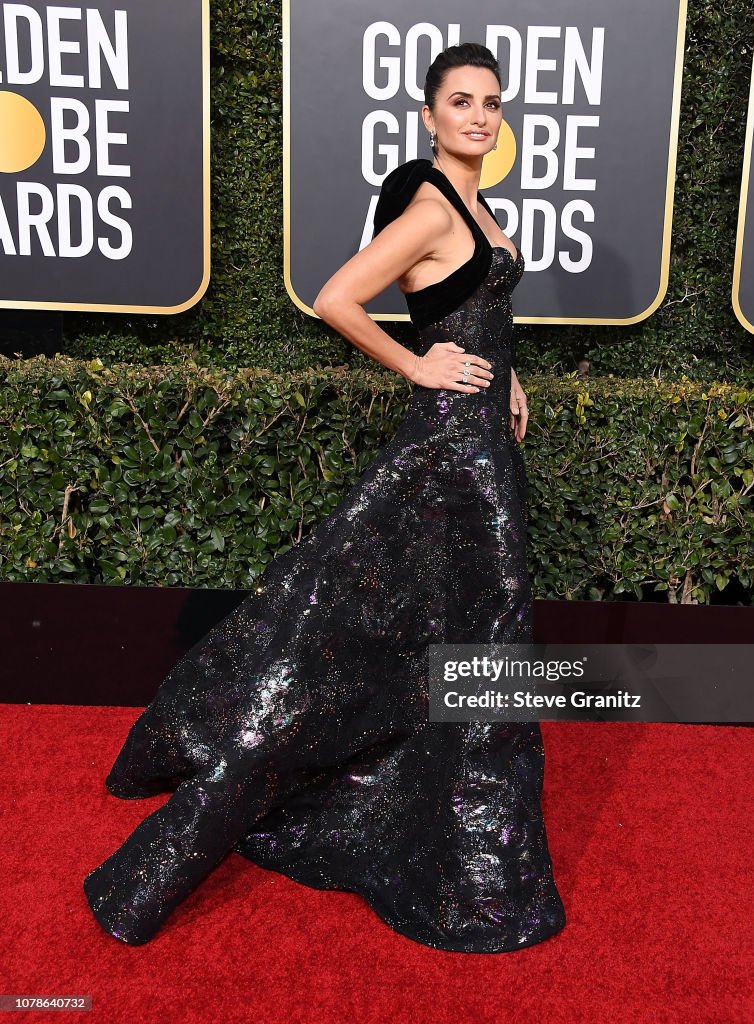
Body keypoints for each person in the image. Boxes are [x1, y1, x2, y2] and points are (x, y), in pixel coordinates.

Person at [83, 42, 566, 953]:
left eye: (491, 102)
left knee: (434, 629)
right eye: (460, 101)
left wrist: (504, 376)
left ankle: (430, 812)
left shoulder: (474, 200)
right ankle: (466, 865)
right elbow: (336, 297)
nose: (478, 115)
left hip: (479, 445)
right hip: (447, 457)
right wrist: (419, 365)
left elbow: (470, 311)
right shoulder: (429, 206)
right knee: (426, 629)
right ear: (428, 115)